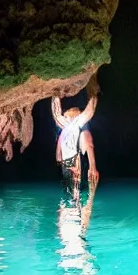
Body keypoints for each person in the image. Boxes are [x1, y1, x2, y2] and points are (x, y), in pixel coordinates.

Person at [51, 76, 100, 235]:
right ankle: (79, 232)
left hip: (70, 169)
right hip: (75, 168)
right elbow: (89, 143)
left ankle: (68, 230)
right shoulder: (73, 127)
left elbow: (58, 157)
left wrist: (55, 95)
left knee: (71, 199)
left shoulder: (69, 129)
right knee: (80, 201)